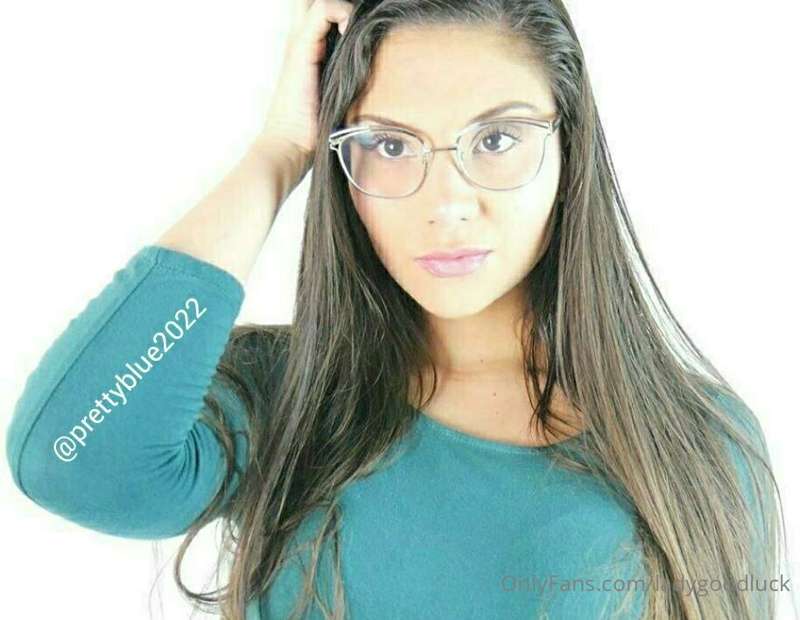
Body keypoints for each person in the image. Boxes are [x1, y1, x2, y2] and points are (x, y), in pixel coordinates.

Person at [5, 1, 787, 618]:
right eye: (388, 145)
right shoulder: (287, 400)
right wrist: (278, 153)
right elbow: (67, 460)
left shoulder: (700, 442)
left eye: (497, 140)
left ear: (568, 148)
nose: (446, 203)